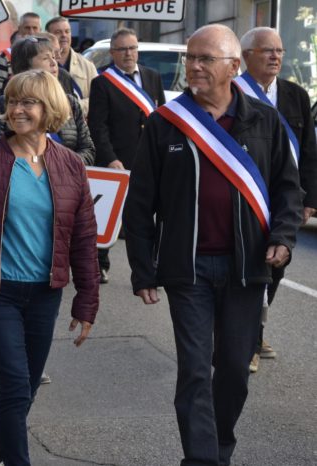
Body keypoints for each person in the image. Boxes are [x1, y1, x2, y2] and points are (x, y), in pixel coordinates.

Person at [123, 24, 302, 466]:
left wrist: (282, 237)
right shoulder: (167, 123)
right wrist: (143, 269)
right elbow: (141, 201)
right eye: (191, 58)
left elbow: (288, 191)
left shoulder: (265, 121)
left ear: (233, 68)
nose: (194, 67)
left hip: (247, 267)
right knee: (196, 370)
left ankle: (219, 446)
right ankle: (201, 459)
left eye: (206, 59)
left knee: (236, 373)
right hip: (189, 270)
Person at [0, 69, 99, 466]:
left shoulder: (71, 166)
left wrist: (87, 302)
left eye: (28, 102)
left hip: (46, 293)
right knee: (13, 387)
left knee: (26, 388)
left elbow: (82, 238)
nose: (16, 109)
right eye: (12, 101)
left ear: (50, 109)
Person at [237, 27, 317, 372]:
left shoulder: (295, 95)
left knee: (276, 267)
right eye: (267, 50)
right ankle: (248, 340)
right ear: (246, 56)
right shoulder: (232, 92)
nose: (276, 57)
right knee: (249, 267)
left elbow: (310, 152)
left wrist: (309, 199)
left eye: (280, 51)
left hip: (283, 199)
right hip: (244, 195)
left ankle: (254, 329)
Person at [88, 28, 165, 284]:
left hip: (149, 160)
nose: (128, 53)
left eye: (132, 48)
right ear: (113, 53)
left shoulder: (152, 77)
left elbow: (161, 119)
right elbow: (98, 126)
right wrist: (110, 158)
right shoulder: (102, 83)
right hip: (117, 161)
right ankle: (100, 264)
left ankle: (148, 267)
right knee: (108, 217)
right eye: (122, 49)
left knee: (144, 217)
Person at [0, 36, 95, 166]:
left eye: (54, 57)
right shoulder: (3, 104)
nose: (54, 63)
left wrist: (61, 166)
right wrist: (35, 168)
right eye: (46, 58)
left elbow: (88, 150)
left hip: (63, 180)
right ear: (25, 66)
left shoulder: (70, 102)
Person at [46, 16, 98, 115]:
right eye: (58, 32)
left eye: (67, 31)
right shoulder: (41, 63)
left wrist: (72, 106)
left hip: (78, 124)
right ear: (49, 36)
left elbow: (97, 99)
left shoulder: (87, 65)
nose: (64, 35)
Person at [0, 12, 41, 96]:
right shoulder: (7, 55)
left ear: (40, 30)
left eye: (35, 28)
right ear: (19, 29)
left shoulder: (46, 55)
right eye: (27, 28)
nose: (31, 32)